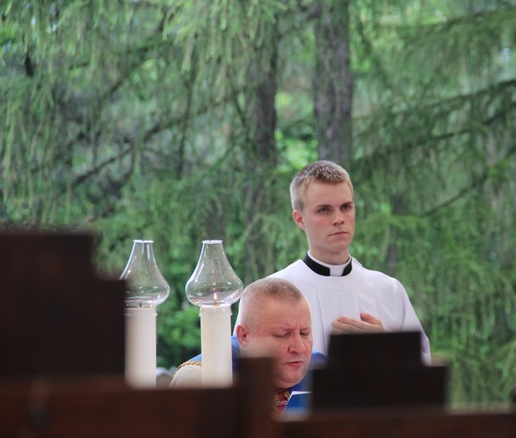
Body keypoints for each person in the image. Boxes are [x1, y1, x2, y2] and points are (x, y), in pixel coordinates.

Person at [269, 160, 431, 363]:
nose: (339, 219)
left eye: (346, 207)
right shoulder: (271, 294)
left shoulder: (389, 290)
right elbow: (248, 373)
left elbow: (424, 374)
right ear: (299, 219)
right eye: (324, 210)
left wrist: (389, 347)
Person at [170, 277, 325, 416]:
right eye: (282, 335)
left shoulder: (326, 370)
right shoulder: (200, 379)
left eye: (304, 333)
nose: (299, 348)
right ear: (244, 337)